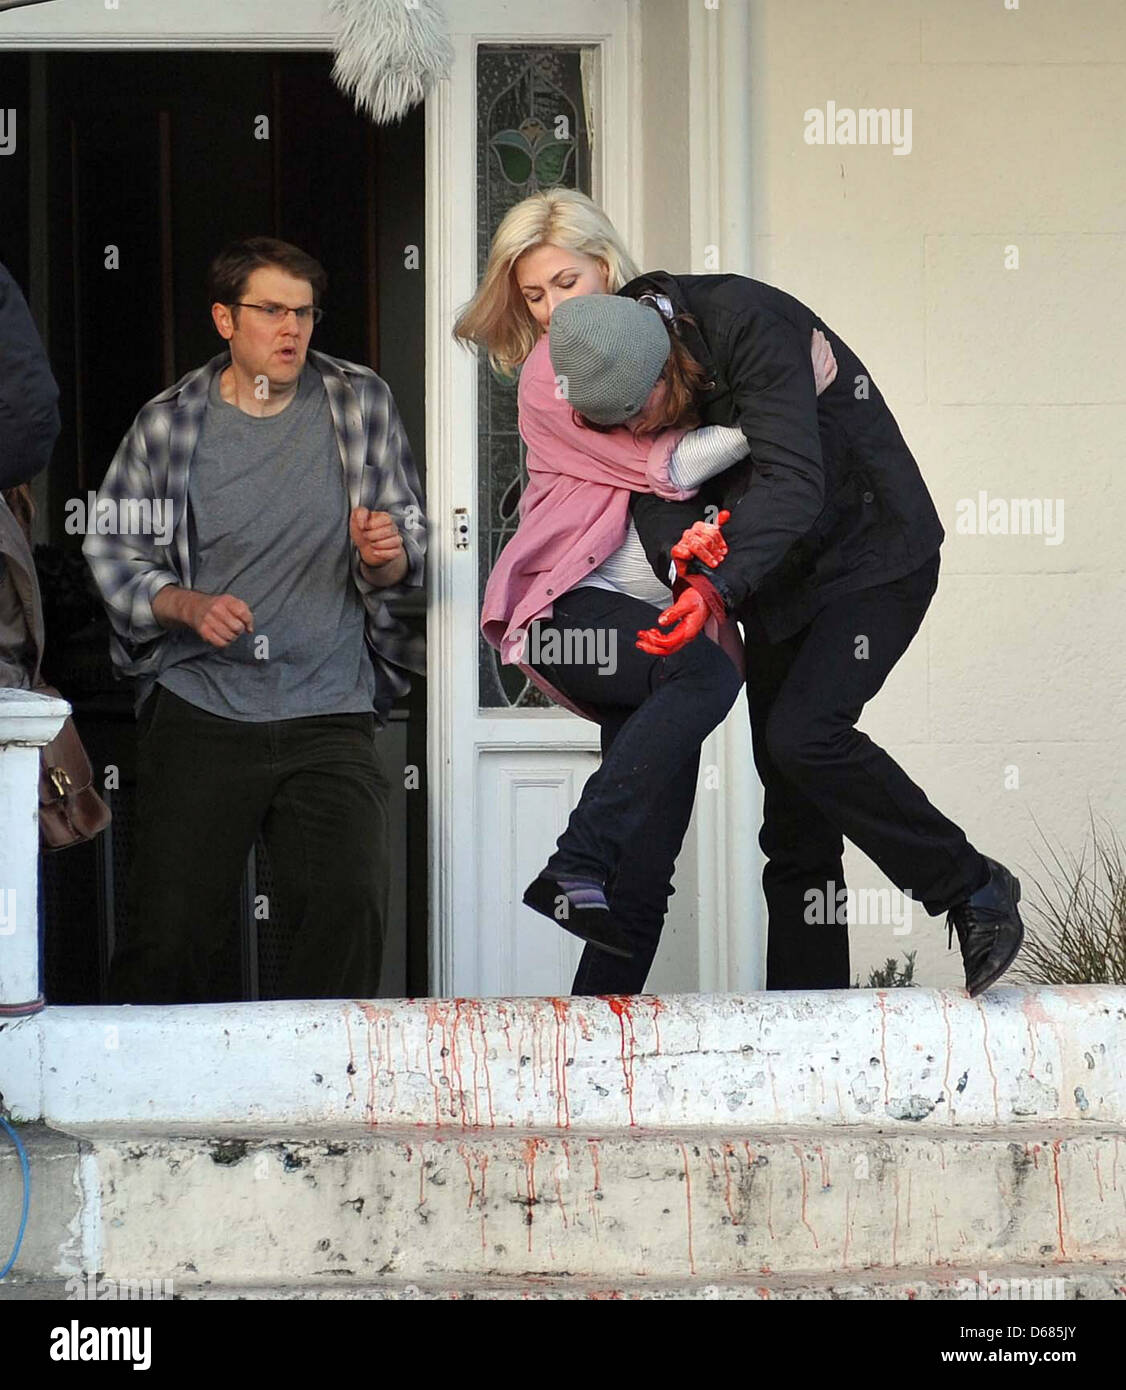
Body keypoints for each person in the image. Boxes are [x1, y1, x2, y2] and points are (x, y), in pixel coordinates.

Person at [554, 276, 1025, 998]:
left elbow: (794, 478)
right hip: (771, 586)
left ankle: (973, 887)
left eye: (643, 416)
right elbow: (655, 494)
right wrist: (683, 559)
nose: (641, 438)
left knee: (804, 736)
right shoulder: (623, 359)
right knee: (794, 819)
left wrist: (715, 586)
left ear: (664, 362)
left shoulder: (750, 324)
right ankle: (812, 1021)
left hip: (870, 561)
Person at [457, 191, 835, 988]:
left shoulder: (661, 350)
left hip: (641, 626)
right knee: (705, 672)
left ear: (608, 267)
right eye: (534, 295)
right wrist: (780, 407)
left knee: (644, 869)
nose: (555, 309)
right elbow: (666, 466)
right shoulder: (551, 377)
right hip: (565, 615)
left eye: (566, 283)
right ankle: (574, 856)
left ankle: (590, 1055)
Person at [83, 237, 426, 1003]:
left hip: (328, 703)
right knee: (168, 933)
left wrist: (386, 553)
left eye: (303, 312)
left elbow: (409, 540)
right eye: (270, 310)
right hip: (203, 702)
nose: (291, 328)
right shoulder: (169, 423)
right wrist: (186, 604)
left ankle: (321, 1105)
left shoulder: (359, 399)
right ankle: (151, 1107)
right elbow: (113, 548)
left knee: (348, 910)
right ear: (224, 320)